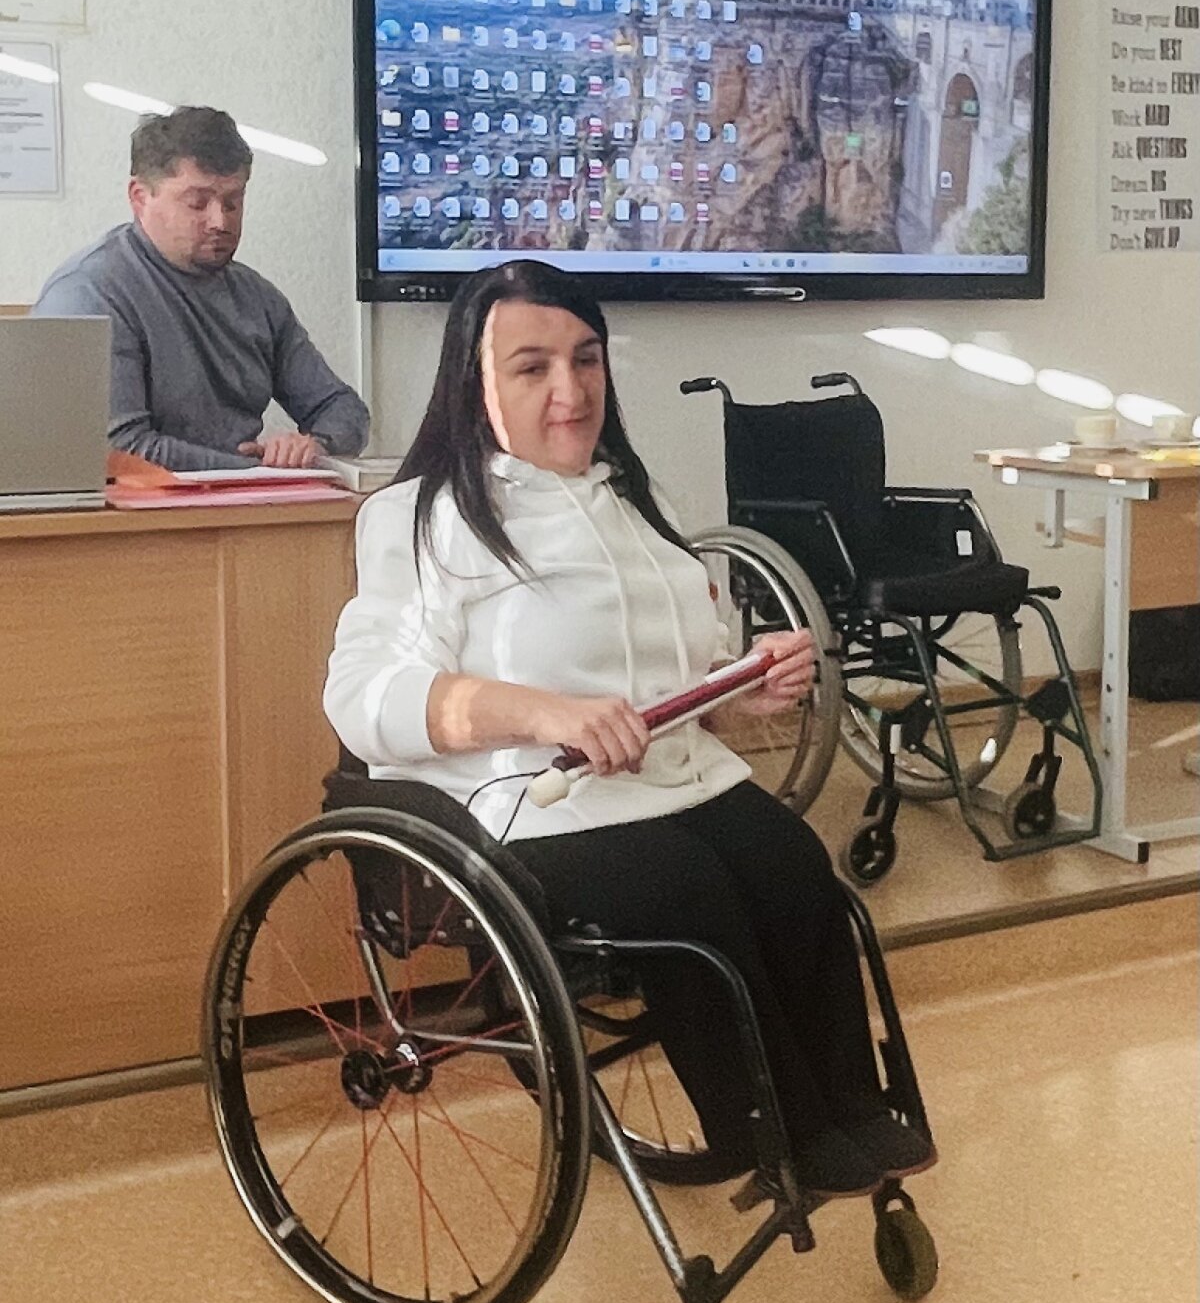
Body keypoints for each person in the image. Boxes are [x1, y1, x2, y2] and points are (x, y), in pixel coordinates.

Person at [323, 259, 934, 1197]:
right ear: (474, 383)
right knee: (687, 893)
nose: (570, 391)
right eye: (532, 367)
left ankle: (847, 1107)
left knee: (792, 865)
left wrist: (745, 682)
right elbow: (365, 692)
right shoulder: (420, 517)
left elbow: (682, 676)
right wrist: (544, 710)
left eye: (586, 359)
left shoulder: (637, 502)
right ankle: (774, 1134)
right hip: (527, 801)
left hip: (671, 777)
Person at [31, 106, 370, 471]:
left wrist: (315, 444)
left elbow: (344, 409)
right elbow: (120, 451)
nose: (219, 221)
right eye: (197, 203)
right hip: (138, 504)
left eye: (233, 202)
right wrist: (257, 472)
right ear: (140, 197)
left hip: (250, 496)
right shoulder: (89, 294)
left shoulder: (259, 298)